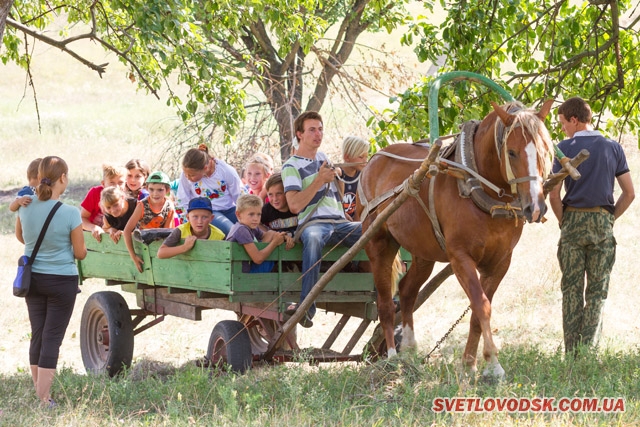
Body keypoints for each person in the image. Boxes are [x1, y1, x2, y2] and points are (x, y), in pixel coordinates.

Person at [549, 96, 635, 356]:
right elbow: (629, 193)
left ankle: (571, 353)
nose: (562, 128)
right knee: (597, 292)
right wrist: (609, 219)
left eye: (563, 122)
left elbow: (553, 194)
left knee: (571, 290)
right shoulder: (612, 147)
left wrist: (564, 220)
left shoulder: (562, 149)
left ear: (574, 120)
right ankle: (588, 354)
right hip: (601, 223)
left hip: (572, 220)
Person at [15, 156, 87, 407]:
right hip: (61, 281)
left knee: (38, 333)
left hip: (33, 279)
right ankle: (43, 398)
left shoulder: (24, 205)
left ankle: (39, 391)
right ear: (63, 178)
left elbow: (21, 237)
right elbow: (80, 253)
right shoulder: (70, 213)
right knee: (52, 337)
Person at [281, 111, 362, 327]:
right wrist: (318, 180)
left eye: (320, 129)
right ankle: (306, 308)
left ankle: (390, 295)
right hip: (314, 223)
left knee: (375, 229)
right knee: (314, 237)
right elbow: (295, 205)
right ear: (299, 134)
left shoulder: (323, 157)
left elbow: (338, 194)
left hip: (339, 221)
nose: (318, 134)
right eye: (312, 130)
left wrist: (337, 178)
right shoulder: (291, 166)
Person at [175, 144, 242, 236]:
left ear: (205, 168)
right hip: (206, 212)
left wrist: (247, 216)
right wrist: (187, 223)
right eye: (186, 174)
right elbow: (182, 199)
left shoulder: (226, 171)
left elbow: (240, 197)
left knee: (248, 228)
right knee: (234, 231)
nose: (187, 177)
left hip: (229, 210)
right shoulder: (186, 174)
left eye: (191, 175)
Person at [123, 171, 176, 272]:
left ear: (167, 190)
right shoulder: (142, 206)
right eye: (151, 189)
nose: (155, 194)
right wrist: (133, 256)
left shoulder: (169, 206)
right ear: (147, 188)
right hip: (141, 244)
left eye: (160, 190)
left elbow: (166, 232)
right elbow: (127, 231)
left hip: (157, 246)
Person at [226, 194, 286, 273]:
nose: (256, 219)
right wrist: (275, 243)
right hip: (240, 274)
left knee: (271, 233)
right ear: (238, 214)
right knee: (272, 256)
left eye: (259, 214)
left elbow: (269, 234)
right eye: (251, 214)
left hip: (246, 270)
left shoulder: (251, 227)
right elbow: (258, 259)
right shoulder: (241, 230)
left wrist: (283, 236)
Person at [157, 197, 225, 258]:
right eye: (195, 217)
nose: (199, 221)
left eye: (205, 217)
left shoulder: (219, 236)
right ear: (188, 217)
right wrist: (184, 247)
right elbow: (161, 253)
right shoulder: (181, 231)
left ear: (211, 218)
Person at [80, 164, 127, 240]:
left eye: (120, 183)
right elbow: (81, 218)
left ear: (126, 183)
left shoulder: (125, 198)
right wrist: (93, 227)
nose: (116, 187)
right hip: (91, 237)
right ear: (103, 183)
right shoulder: (95, 193)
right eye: (112, 183)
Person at [338, 136, 369, 220]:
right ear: (347, 157)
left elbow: (360, 208)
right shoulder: (337, 175)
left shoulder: (363, 177)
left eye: (366, 156)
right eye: (361, 157)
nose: (365, 160)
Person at [261, 173, 298, 240]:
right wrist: (270, 233)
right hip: (277, 245)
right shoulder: (267, 209)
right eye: (270, 194)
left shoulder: (296, 206)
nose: (275, 199)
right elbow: (257, 223)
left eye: (279, 193)